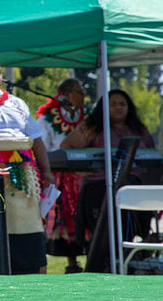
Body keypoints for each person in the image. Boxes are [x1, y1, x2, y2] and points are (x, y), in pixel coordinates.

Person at [0, 55, 55, 274]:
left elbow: (36, 140)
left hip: (21, 173)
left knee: (26, 224)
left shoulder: (17, 103)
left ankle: (33, 271)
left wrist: (47, 173)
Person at [62, 89, 157, 272]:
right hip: (100, 187)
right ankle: (101, 267)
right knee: (103, 231)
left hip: (133, 189)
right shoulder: (93, 127)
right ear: (103, 107)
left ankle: (133, 263)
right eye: (113, 104)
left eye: (122, 104)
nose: (118, 107)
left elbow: (152, 154)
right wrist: (82, 170)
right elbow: (66, 146)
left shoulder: (138, 129)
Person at [36, 78, 88, 273]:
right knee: (62, 218)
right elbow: (41, 144)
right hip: (58, 176)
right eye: (79, 92)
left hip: (84, 174)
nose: (84, 96)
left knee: (82, 216)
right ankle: (70, 262)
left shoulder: (88, 116)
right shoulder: (48, 117)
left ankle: (88, 259)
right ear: (66, 95)